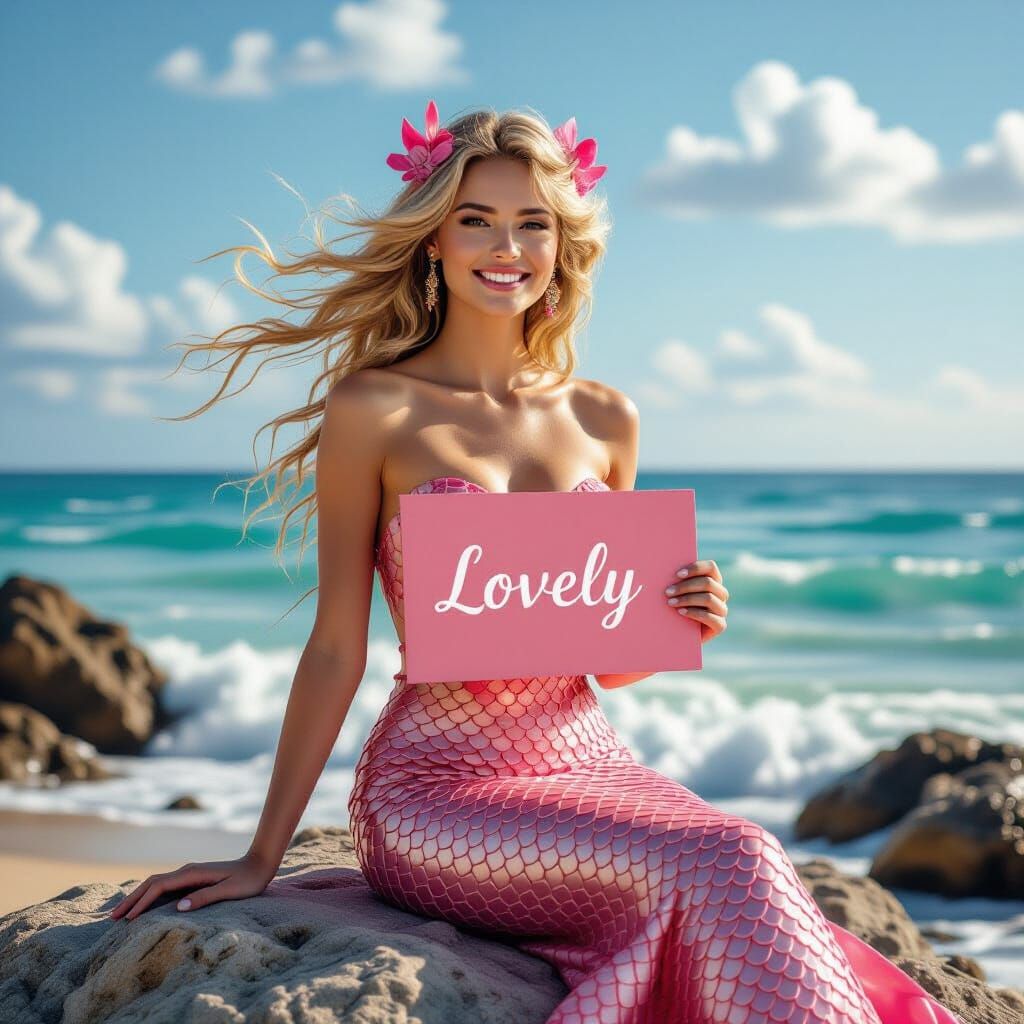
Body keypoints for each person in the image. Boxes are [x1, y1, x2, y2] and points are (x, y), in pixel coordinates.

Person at [109, 102, 960, 1024]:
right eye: (475, 217)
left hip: (593, 765)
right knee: (731, 859)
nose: (504, 244)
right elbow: (333, 649)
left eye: (533, 222)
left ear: (562, 243)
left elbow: (608, 661)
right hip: (435, 794)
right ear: (433, 237)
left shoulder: (605, 418)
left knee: (743, 848)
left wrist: (687, 610)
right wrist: (260, 855)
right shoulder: (376, 410)